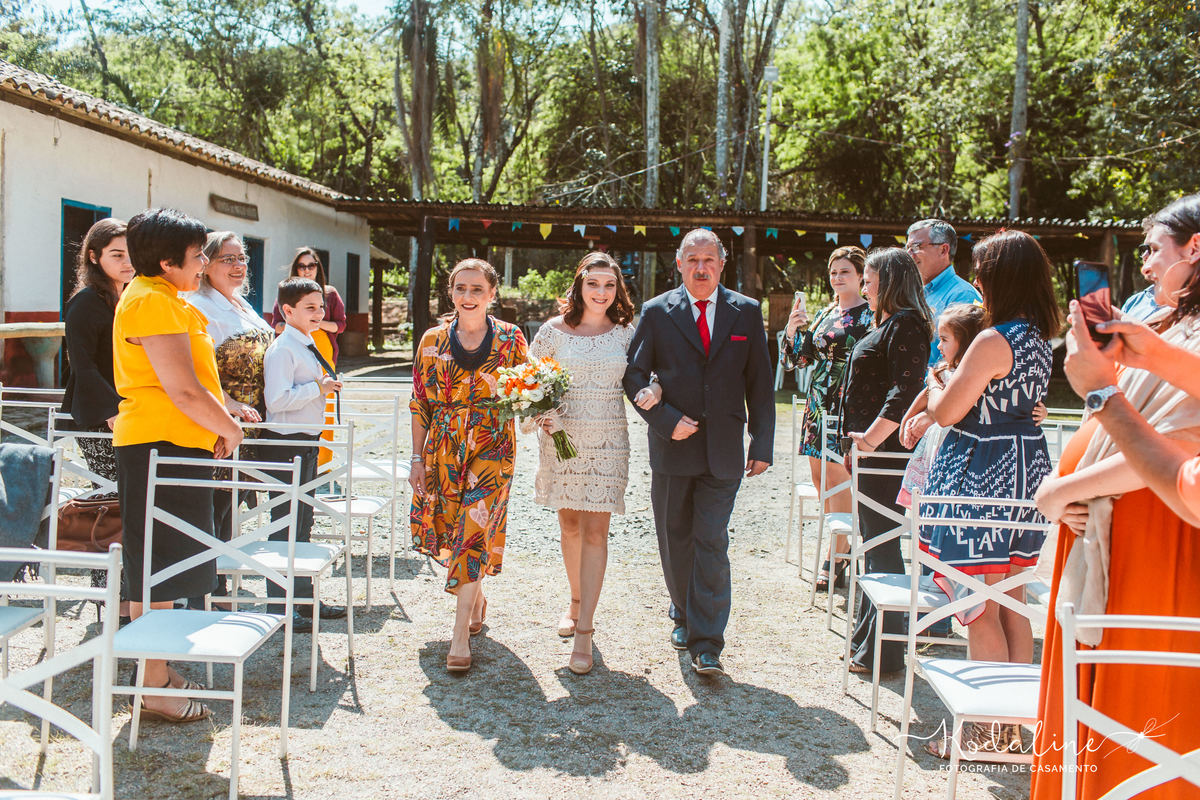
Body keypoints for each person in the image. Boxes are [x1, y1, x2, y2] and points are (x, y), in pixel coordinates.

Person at [1031, 194, 1200, 798]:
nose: (1146, 265)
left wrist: (1061, 489)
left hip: (1156, 540)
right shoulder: (1162, 325)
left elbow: (1180, 447)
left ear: (1195, 248)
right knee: (1085, 701)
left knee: (1136, 711)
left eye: (1155, 249)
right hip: (1107, 534)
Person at [916, 230, 1060, 757]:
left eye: (982, 271)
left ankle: (979, 728)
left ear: (1002, 278)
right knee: (1012, 600)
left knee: (979, 602)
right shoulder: (1039, 339)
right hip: (1025, 472)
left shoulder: (993, 339)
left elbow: (947, 411)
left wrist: (935, 384)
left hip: (984, 474)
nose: (975, 281)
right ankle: (1011, 729)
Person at [622, 228, 775, 677]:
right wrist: (667, 420)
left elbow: (760, 385)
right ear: (680, 263)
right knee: (675, 538)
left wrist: (761, 443)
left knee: (710, 539)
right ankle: (682, 610)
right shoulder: (655, 312)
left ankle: (707, 643)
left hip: (724, 450)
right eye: (693, 259)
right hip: (673, 448)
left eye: (709, 259)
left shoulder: (745, 312)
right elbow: (633, 378)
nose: (701, 267)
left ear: (722, 264)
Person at [113, 207, 244, 723]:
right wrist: (230, 429)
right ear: (167, 262)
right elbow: (183, 389)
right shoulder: (150, 301)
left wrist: (223, 413)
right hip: (157, 444)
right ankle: (153, 688)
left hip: (174, 444)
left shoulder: (169, 299)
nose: (204, 264)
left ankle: (159, 674)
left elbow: (197, 385)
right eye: (198, 256)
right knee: (156, 572)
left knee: (167, 568)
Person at [526, 252, 646, 675]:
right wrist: (542, 412)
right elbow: (528, 383)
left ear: (618, 290)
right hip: (563, 439)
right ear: (579, 286)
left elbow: (649, 377)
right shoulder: (551, 332)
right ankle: (574, 602)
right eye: (593, 283)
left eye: (609, 285)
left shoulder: (627, 334)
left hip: (609, 441)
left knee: (597, 531)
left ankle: (585, 633)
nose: (601, 292)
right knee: (570, 525)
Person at [408, 258, 528, 673]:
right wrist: (416, 458)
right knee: (451, 526)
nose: (468, 296)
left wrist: (540, 409)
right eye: (461, 288)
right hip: (443, 448)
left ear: (492, 294)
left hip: (493, 447)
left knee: (474, 530)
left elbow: (523, 392)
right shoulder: (431, 340)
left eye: (477, 289)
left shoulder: (512, 339)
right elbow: (420, 402)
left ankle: (459, 637)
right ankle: (475, 598)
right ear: (451, 292)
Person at [839, 247, 931, 677]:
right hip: (871, 456)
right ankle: (867, 643)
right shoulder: (890, 323)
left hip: (887, 457)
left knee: (882, 545)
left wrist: (871, 440)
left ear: (890, 282)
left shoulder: (908, 324)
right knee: (872, 546)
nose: (864, 288)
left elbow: (906, 389)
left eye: (870, 281)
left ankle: (886, 652)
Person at [185, 232, 271, 597]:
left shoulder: (240, 304)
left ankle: (217, 579)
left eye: (242, 259)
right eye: (228, 259)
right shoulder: (197, 305)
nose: (238, 266)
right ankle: (204, 586)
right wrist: (227, 403)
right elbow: (192, 365)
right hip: (221, 417)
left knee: (230, 503)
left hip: (254, 421)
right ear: (206, 265)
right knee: (212, 502)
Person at [782, 246, 872, 590]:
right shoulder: (825, 313)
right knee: (820, 477)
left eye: (845, 272)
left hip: (848, 399)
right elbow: (799, 360)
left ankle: (836, 557)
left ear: (862, 276)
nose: (837, 278)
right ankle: (845, 543)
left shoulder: (870, 315)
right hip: (818, 400)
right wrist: (793, 332)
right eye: (833, 272)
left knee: (839, 477)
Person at [261, 277, 347, 632]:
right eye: (310, 308)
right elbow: (276, 401)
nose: (319, 313)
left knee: (303, 522)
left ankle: (304, 596)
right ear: (288, 310)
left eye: (321, 307)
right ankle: (280, 602)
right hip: (286, 445)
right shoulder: (283, 350)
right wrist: (318, 388)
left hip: (307, 442)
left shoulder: (307, 343)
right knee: (285, 522)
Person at [61, 217, 133, 484]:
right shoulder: (85, 302)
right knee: (112, 496)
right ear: (94, 256)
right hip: (101, 417)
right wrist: (112, 410)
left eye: (131, 254)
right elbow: (83, 366)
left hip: (131, 412)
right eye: (117, 255)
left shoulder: (129, 298)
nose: (128, 262)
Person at [896, 302, 986, 506]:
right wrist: (907, 419)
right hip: (937, 440)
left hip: (954, 442)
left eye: (944, 340)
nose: (938, 346)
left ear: (966, 342)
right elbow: (927, 393)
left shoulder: (970, 376)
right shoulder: (945, 370)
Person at [905, 219, 981, 366]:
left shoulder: (962, 296)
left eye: (916, 246)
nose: (909, 254)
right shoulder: (913, 291)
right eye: (907, 247)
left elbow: (959, 362)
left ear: (943, 250)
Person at [271, 248, 346, 366]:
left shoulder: (330, 293)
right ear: (296, 268)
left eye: (311, 266)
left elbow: (340, 326)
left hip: (323, 351)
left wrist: (315, 322)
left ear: (318, 267)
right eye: (302, 266)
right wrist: (301, 324)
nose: (307, 270)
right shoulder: (286, 295)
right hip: (294, 350)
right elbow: (276, 326)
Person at [1119, 246, 1163, 322]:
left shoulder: (1186, 308)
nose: (1144, 255)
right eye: (1144, 249)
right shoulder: (1133, 302)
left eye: (1154, 249)